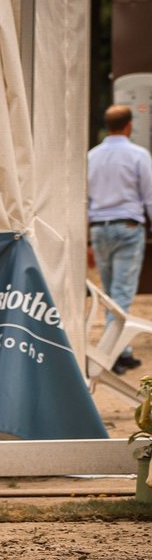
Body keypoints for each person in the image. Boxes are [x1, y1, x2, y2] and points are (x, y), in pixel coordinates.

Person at [87, 104, 152, 375]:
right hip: (127, 227)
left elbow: (85, 196)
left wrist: (87, 239)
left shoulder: (91, 156)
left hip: (99, 229)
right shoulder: (138, 155)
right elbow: (149, 195)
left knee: (111, 292)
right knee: (123, 294)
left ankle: (121, 352)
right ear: (129, 125)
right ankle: (110, 354)